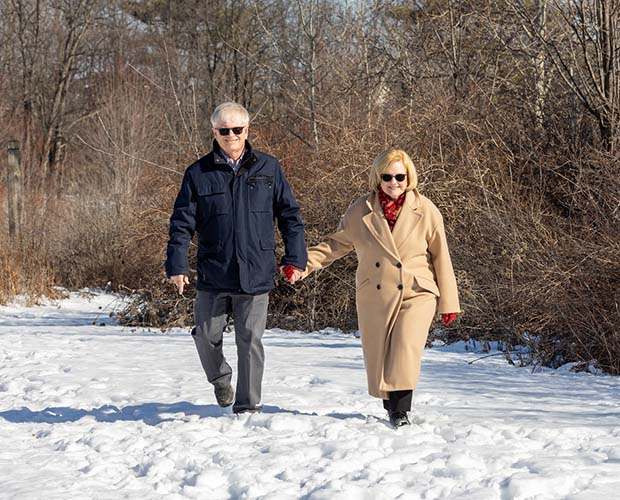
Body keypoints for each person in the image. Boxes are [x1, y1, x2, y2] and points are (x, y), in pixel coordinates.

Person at [288, 148, 460, 428]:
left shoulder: (425, 209)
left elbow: (442, 255)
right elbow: (336, 244)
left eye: (400, 177)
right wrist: (301, 265)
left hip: (417, 290)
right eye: (387, 176)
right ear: (377, 178)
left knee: (406, 345)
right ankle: (392, 405)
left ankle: (400, 412)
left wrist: (449, 302)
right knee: (381, 354)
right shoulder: (361, 210)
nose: (394, 182)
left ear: (409, 177)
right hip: (376, 292)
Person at [165, 102, 307, 414]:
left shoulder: (268, 168)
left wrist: (295, 258)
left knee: (250, 341)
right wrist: (177, 264)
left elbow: (290, 216)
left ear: (247, 131)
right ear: (214, 132)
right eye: (224, 130)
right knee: (205, 335)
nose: (231, 135)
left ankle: (247, 405)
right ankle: (220, 379)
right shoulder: (198, 173)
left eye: (237, 130)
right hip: (214, 272)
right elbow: (181, 223)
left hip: (256, 272)